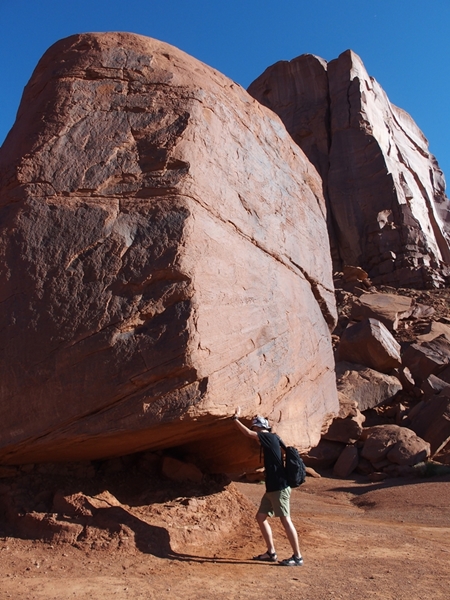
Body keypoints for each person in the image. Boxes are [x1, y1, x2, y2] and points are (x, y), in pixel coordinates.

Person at [231, 406, 303, 566]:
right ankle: (271, 552)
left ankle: (297, 557)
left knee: (286, 520)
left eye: (255, 428)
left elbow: (249, 434)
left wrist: (235, 419)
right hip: (272, 488)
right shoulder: (273, 438)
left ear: (259, 428)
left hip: (279, 487)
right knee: (260, 517)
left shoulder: (267, 437)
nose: (255, 435)